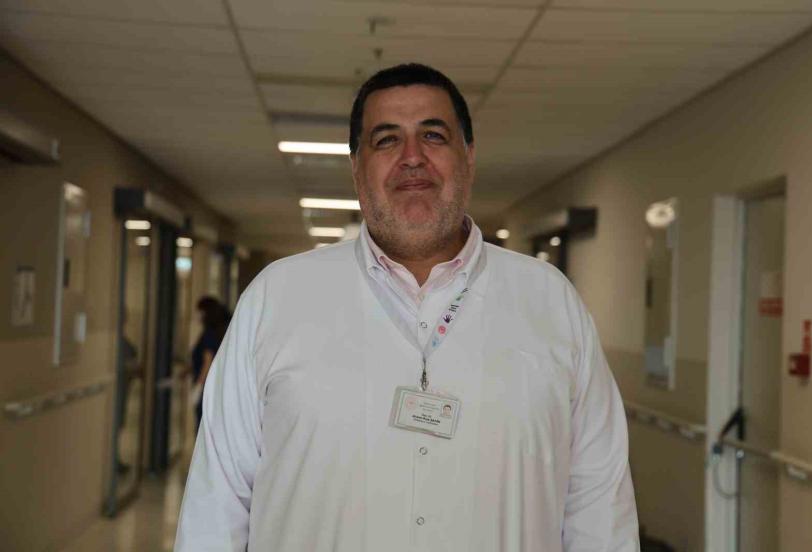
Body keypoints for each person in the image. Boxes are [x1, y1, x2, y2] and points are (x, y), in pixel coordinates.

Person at [175, 63, 638, 551]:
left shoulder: (551, 302)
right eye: (386, 140)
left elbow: (599, 506)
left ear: (469, 157)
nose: (412, 157)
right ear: (356, 167)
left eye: (433, 136)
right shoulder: (276, 298)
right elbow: (216, 505)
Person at [190, 296, 230, 431]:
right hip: (216, 389)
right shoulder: (220, 332)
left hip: (206, 390)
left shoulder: (209, 334)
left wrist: (198, 386)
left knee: (203, 428)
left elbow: (208, 361)